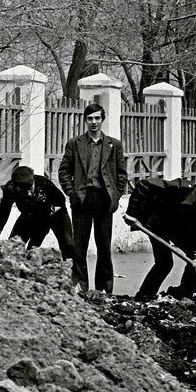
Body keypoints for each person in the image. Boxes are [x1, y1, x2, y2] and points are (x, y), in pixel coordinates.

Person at [58, 103, 127, 294]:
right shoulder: (75, 143)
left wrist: (116, 196)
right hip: (82, 199)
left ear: (102, 119)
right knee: (79, 247)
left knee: (104, 247)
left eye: (97, 118)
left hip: (104, 200)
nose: (94, 122)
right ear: (85, 120)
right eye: (90, 118)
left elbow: (122, 174)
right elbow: (64, 171)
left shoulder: (114, 145)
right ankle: (80, 287)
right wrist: (72, 194)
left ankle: (104, 289)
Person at [126, 175, 196, 300]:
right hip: (158, 225)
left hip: (180, 230)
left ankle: (184, 295)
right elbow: (143, 184)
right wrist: (132, 214)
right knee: (165, 263)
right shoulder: (178, 187)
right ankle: (144, 295)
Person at [0, 164, 73, 260]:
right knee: (13, 245)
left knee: (67, 245)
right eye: (23, 191)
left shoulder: (45, 185)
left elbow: (60, 202)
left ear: (33, 181)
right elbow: (1, 214)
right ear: (15, 187)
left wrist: (34, 243)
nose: (28, 194)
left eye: (30, 189)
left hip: (56, 214)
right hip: (29, 215)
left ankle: (72, 270)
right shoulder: (10, 189)